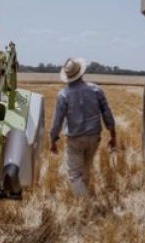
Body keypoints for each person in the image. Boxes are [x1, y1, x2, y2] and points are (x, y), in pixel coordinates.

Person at [49, 57, 116, 196]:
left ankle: (85, 204)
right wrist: (112, 135)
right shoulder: (96, 90)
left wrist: (53, 140)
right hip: (94, 137)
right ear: (81, 72)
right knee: (86, 168)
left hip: (75, 140)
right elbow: (107, 113)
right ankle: (85, 195)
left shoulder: (63, 95)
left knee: (74, 174)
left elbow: (57, 121)